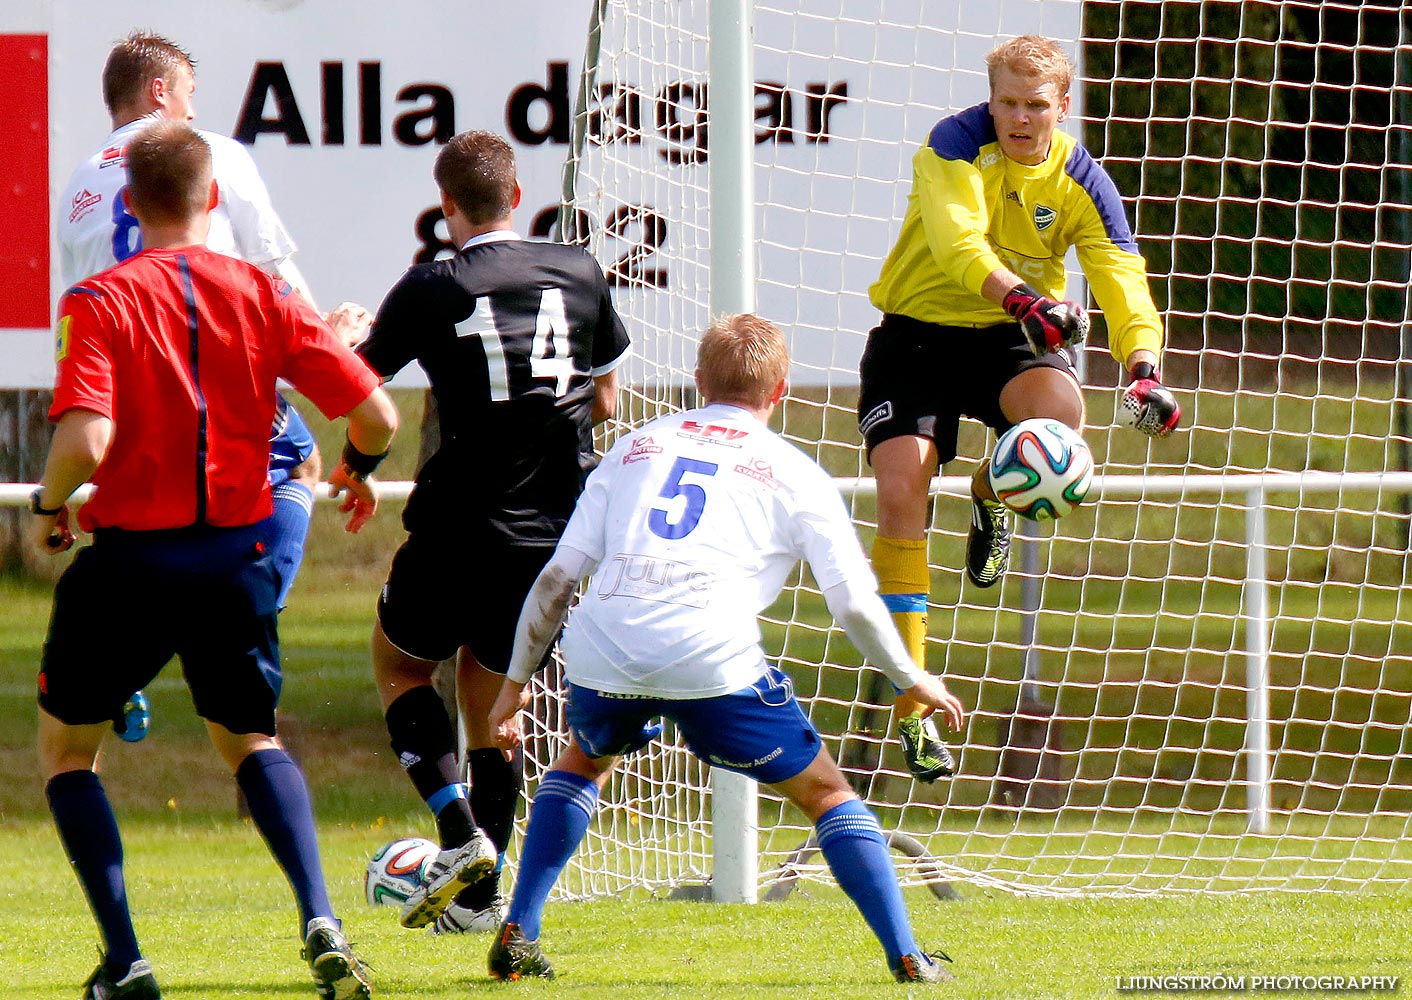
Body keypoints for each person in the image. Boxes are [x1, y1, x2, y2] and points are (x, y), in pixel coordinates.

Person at [484, 313, 966, 986]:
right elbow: (854, 602)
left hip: (603, 647)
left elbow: (559, 579)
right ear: (782, 391)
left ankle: (521, 927)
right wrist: (910, 677)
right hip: (709, 655)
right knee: (826, 793)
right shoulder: (796, 473)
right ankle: (908, 956)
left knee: (586, 759)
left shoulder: (633, 448)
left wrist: (512, 682)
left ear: (698, 381)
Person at [31, 122, 398, 1000]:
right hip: (237, 560)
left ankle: (126, 962)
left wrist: (49, 507)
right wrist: (356, 470)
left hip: (131, 565)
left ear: (128, 204)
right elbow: (377, 415)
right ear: (217, 200)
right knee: (249, 738)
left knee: (67, 755)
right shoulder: (266, 295)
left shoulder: (101, 298)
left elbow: (88, 436)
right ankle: (322, 918)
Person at [857, 35, 1181, 783]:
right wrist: (1027, 298)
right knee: (901, 491)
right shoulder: (954, 145)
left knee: (1061, 421)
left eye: (1036, 105)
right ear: (990, 98)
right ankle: (915, 709)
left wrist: (1142, 369)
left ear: (1062, 107)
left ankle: (992, 493)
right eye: (1007, 101)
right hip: (918, 337)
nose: (1020, 118)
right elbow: (955, 243)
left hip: (1010, 336)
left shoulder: (1083, 180)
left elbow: (1121, 276)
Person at [57, 31, 374, 741]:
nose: (195, 116)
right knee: (298, 462)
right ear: (161, 93)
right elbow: (270, 267)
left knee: (144, 530)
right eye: (191, 99)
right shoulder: (214, 157)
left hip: (124, 391)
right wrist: (329, 331)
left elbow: (77, 305)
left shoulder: (77, 184)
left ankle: (118, 666)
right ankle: (242, 609)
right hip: (208, 373)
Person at [356, 129, 630, 935]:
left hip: (457, 524)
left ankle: (456, 832)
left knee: (400, 667)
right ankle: (480, 904)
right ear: (518, 195)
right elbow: (608, 402)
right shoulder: (581, 270)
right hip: (552, 535)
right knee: (493, 705)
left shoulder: (432, 284)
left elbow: (361, 384)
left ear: (448, 210)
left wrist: (339, 337)